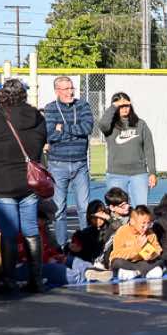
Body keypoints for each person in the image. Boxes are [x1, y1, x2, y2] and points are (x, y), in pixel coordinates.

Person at [0, 77, 49, 296]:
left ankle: (9, 280)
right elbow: (40, 145)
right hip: (30, 182)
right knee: (31, 230)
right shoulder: (37, 118)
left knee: (9, 233)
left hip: (2, 182)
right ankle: (36, 279)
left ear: (3, 96)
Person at [42, 76, 95, 246]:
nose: (70, 92)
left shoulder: (83, 106)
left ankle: (86, 244)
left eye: (71, 88)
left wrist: (63, 128)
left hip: (80, 164)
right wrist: (72, 133)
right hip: (58, 164)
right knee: (59, 209)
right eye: (66, 89)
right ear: (57, 91)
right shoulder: (50, 108)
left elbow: (87, 128)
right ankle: (61, 246)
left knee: (84, 208)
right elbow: (51, 135)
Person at [98, 91, 158, 207]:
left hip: (138, 174)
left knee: (140, 209)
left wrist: (152, 172)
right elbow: (102, 125)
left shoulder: (140, 124)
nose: (124, 109)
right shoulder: (110, 125)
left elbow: (149, 149)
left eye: (126, 105)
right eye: (121, 106)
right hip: (116, 174)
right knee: (118, 210)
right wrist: (114, 106)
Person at [107, 205, 164, 286]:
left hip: (143, 263)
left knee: (161, 260)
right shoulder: (122, 231)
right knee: (116, 262)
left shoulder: (150, 233)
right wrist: (138, 248)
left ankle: (136, 273)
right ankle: (143, 272)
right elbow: (116, 254)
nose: (146, 227)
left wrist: (146, 247)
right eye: (143, 224)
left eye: (148, 223)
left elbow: (157, 251)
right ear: (132, 221)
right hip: (127, 263)